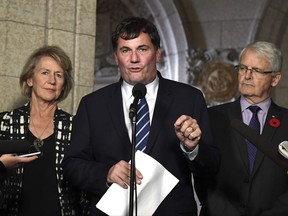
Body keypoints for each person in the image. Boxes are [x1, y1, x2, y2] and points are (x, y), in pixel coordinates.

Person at [62, 16, 220, 215]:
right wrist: (107, 173)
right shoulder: (92, 104)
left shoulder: (189, 99)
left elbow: (212, 165)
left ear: (158, 54)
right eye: (125, 50)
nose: (134, 59)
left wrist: (193, 149)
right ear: (116, 56)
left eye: (142, 49)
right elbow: (72, 165)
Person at [0, 45, 89, 215]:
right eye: (45, 72)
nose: (52, 80)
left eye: (59, 75)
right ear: (30, 79)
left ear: (64, 84)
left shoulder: (76, 127)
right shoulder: (5, 122)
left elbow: (84, 185)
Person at [202, 41, 288, 216]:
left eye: (256, 70)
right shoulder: (211, 117)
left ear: (275, 78)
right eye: (242, 68)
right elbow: (201, 173)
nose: (247, 76)